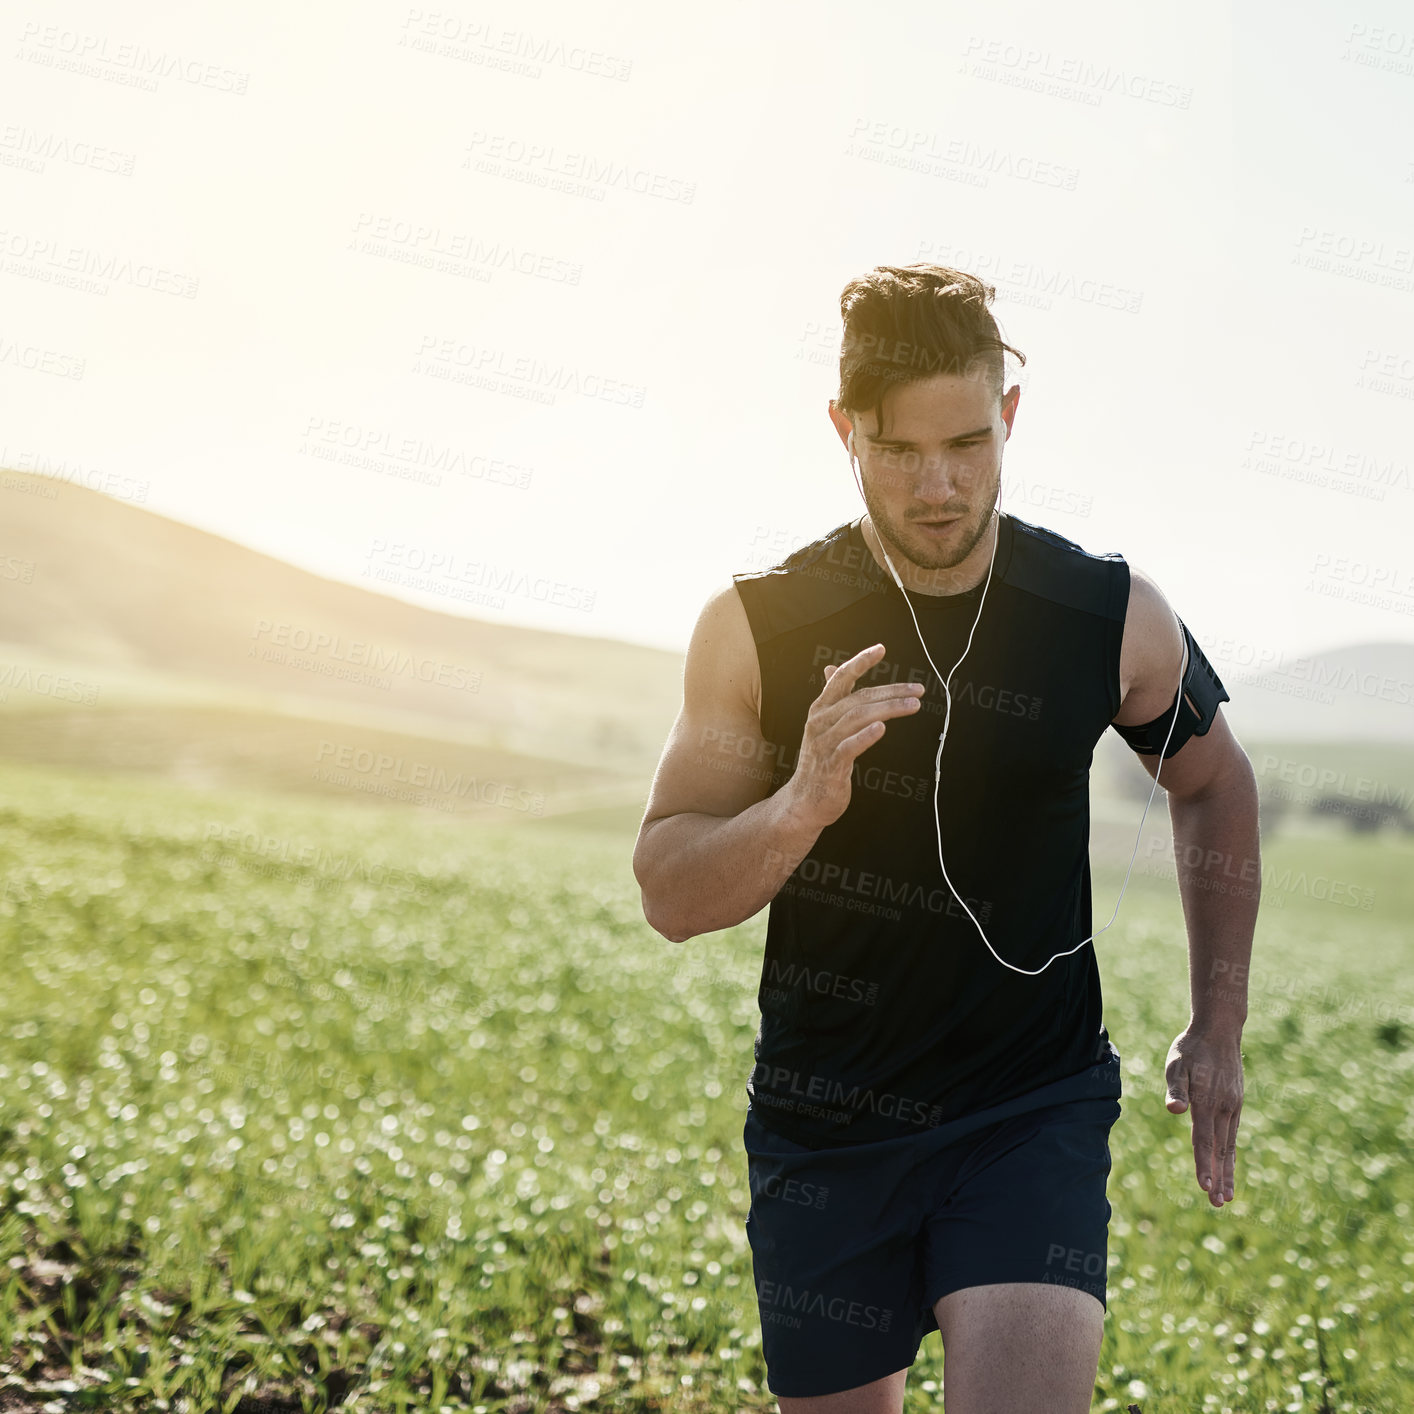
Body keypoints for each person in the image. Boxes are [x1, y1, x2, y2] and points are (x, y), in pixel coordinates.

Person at [631, 264, 1259, 1412]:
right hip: (825, 1127)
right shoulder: (758, 630)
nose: (938, 486)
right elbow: (670, 892)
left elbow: (1213, 784)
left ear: (1008, 417)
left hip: (1031, 1109)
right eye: (898, 451)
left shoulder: (1107, 613)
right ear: (842, 432)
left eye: (968, 444)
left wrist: (1218, 1021)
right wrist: (796, 806)